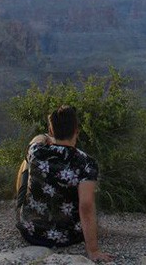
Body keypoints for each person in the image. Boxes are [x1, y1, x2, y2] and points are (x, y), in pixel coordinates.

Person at [16, 105, 112, 262]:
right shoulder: (86, 163)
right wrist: (93, 250)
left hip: (31, 233)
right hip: (69, 236)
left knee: (25, 165)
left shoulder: (36, 151)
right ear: (77, 131)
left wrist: (47, 136)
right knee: (87, 191)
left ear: (51, 130)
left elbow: (36, 139)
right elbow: (86, 206)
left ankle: (27, 212)